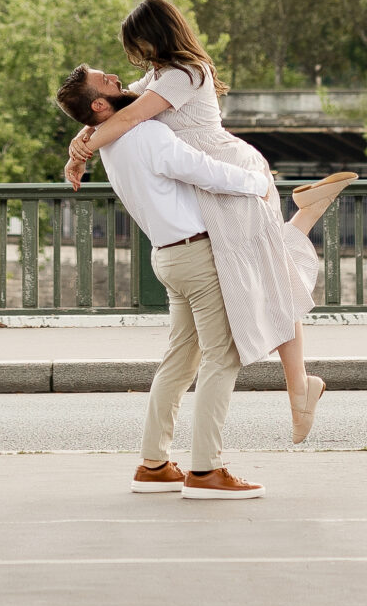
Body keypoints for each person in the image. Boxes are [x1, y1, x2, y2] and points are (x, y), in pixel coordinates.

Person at [59, 0, 356, 441]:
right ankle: (306, 217)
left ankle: (299, 389)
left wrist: (83, 150)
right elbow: (113, 106)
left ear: (154, 35)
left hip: (228, 175)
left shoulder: (184, 74)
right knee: (269, 271)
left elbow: (128, 113)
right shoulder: (160, 74)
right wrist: (80, 142)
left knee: (270, 276)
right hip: (211, 185)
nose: (133, 56)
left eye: (136, 43)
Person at [57, 70, 275, 499]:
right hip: (195, 254)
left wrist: (79, 147)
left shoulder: (113, 144)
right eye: (108, 81)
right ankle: (206, 470)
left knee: (179, 362)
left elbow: (140, 98)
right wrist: (258, 183)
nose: (119, 78)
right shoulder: (144, 135)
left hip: (168, 256)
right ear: (100, 105)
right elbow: (202, 170)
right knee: (222, 358)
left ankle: (154, 464)